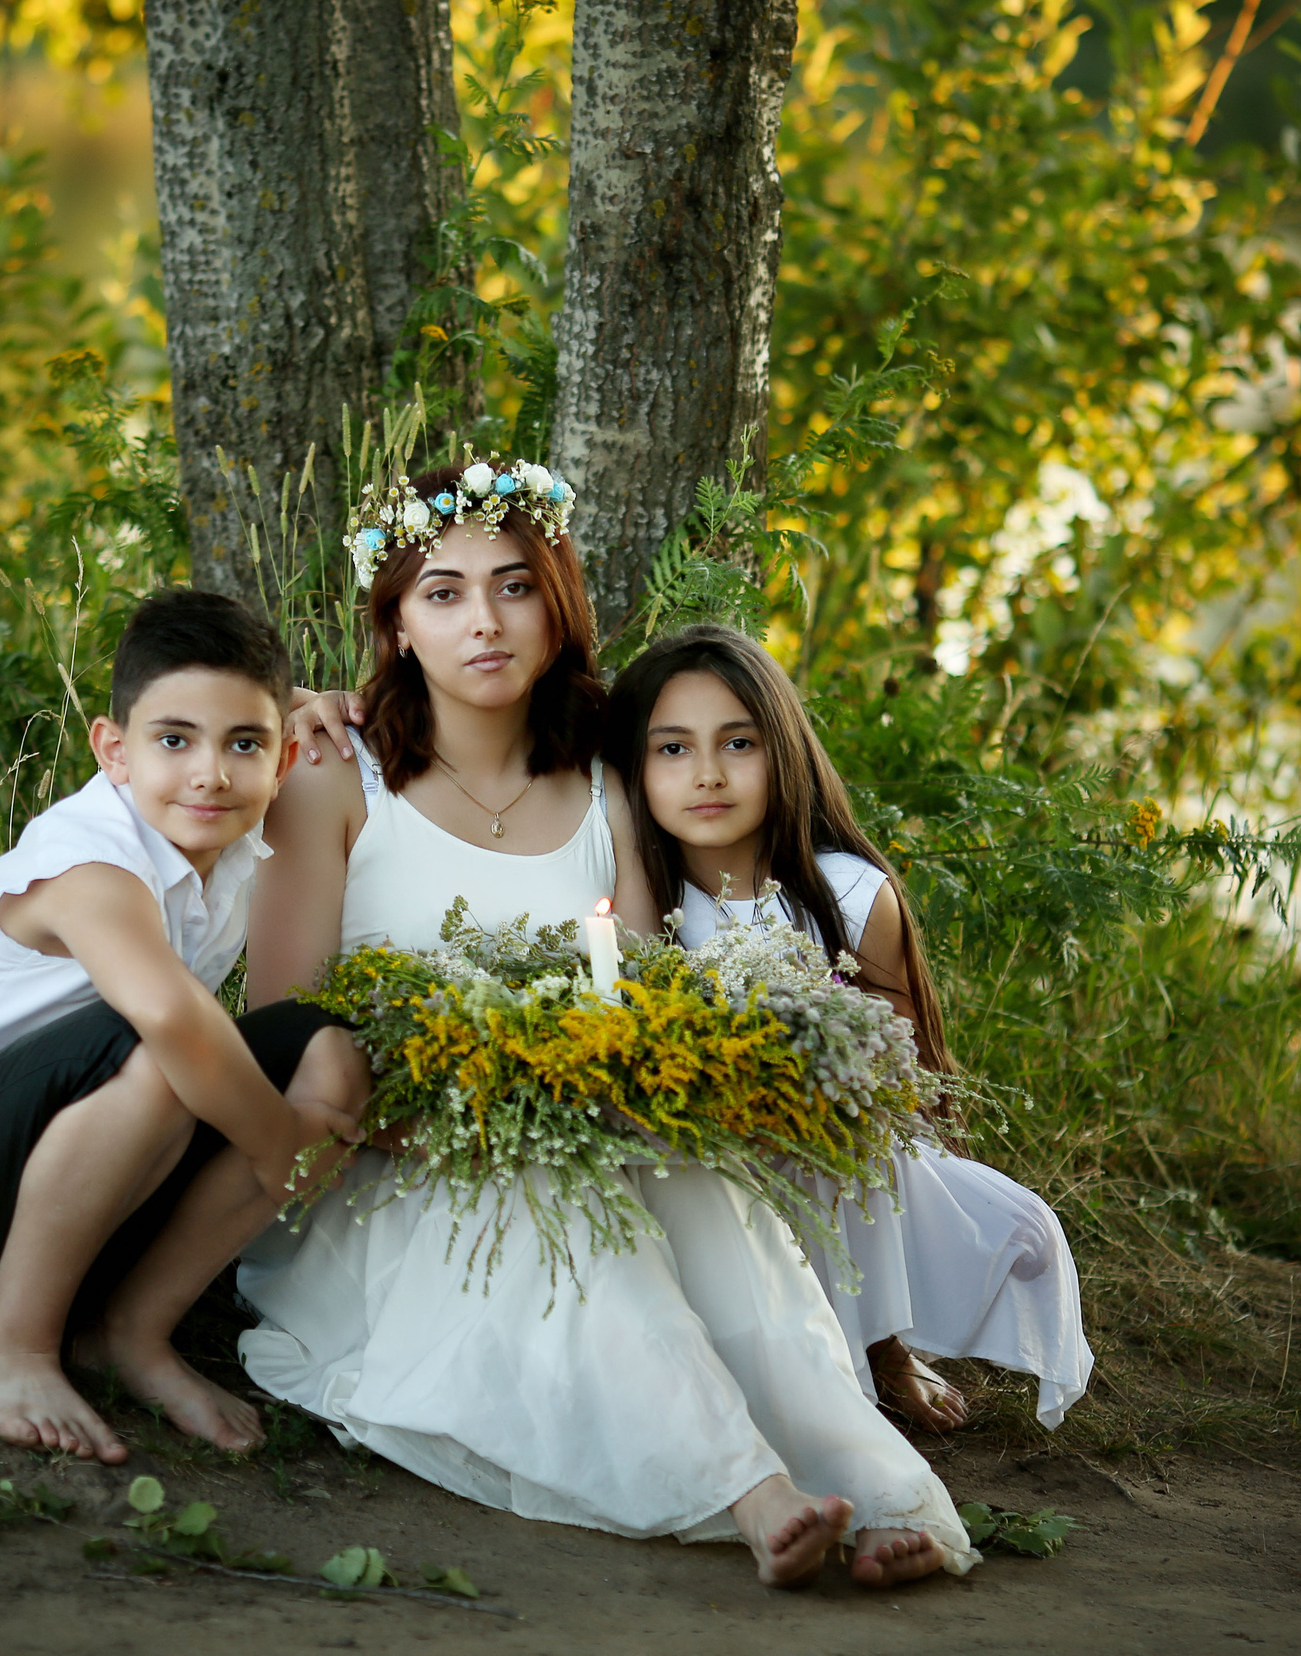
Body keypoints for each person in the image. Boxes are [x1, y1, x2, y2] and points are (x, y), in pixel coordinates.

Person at [238, 463, 973, 1590]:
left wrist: (591, 1105)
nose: (482, 621)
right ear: (392, 626)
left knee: (710, 1194)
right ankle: (751, 1491)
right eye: (440, 593)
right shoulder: (334, 781)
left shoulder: (605, 784)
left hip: (575, 1135)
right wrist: (454, 1125)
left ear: (559, 604)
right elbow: (279, 1031)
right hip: (381, 1172)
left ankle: (874, 1491)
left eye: (515, 586)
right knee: (552, 1202)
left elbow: (637, 1004)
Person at [0, 589, 359, 1465]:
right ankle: (8, 1344)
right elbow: (170, 1017)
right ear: (113, 750)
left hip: (73, 1180)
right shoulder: (91, 862)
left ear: (286, 755)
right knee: (164, 1045)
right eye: (174, 740)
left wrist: (323, 701)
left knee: (325, 1054)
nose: (210, 774)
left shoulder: (222, 838)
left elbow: (264, 720)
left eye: (244, 745)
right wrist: (280, 1148)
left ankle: (130, 1331)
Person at [603, 624, 1094, 1434]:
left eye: (738, 743)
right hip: (688, 1157)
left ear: (783, 751)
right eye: (672, 750)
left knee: (998, 1220)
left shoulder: (847, 897)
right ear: (632, 768)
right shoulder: (632, 899)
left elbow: (898, 1086)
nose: (710, 774)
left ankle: (880, 1350)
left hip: (833, 1157)